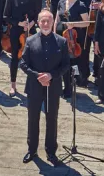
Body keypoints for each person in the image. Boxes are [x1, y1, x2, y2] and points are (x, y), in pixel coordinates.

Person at [20, 9, 71, 166]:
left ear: (52, 22)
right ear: (38, 22)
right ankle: (32, 149)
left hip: (53, 86)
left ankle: (51, 151)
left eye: (48, 20)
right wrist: (38, 76)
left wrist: (51, 76)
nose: (45, 23)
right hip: (34, 87)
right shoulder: (30, 41)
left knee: (51, 119)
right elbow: (23, 64)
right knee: (33, 119)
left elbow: (66, 65)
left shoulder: (61, 41)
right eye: (42, 21)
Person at [4, 0, 40, 97]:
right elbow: (6, 16)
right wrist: (18, 23)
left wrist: (31, 24)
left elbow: (37, 14)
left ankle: (33, 86)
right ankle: (13, 85)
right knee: (15, 58)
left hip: (30, 32)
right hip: (16, 31)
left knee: (34, 58)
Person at [55, 0, 90, 95]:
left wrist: (73, 24)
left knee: (73, 62)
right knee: (63, 62)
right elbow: (57, 19)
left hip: (74, 38)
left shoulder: (81, 5)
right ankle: (65, 86)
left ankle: (72, 85)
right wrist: (54, 33)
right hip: (61, 36)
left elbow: (87, 23)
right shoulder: (61, 2)